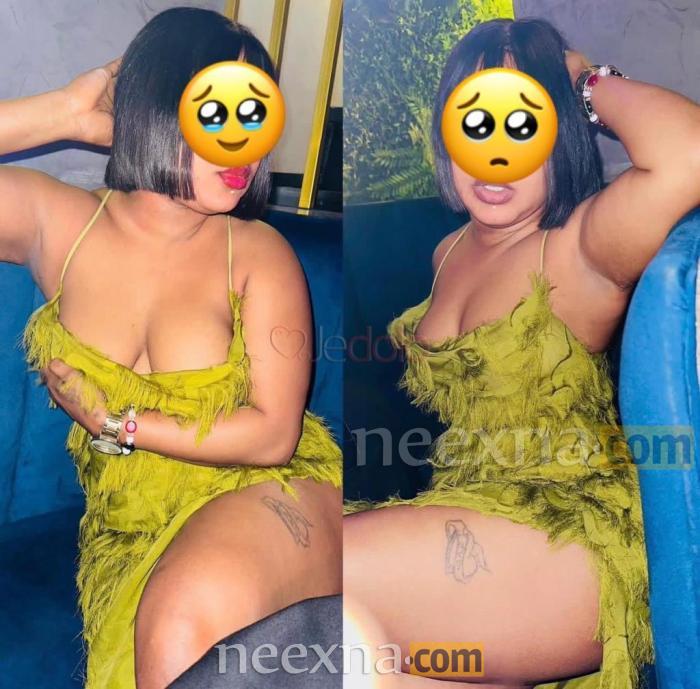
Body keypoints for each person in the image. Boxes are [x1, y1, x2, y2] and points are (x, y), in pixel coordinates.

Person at [344, 16, 700, 689]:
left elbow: (690, 154)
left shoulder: (580, 247)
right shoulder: (448, 251)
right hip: (473, 513)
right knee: (348, 656)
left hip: (571, 527)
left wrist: (582, 79)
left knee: (325, 582)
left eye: (524, 123)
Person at [0, 8, 341, 689]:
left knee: (183, 619)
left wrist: (114, 423)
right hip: (130, 530)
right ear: (161, 105)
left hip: (266, 492)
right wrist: (65, 113)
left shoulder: (258, 251)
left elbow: (272, 436)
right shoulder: (59, 222)